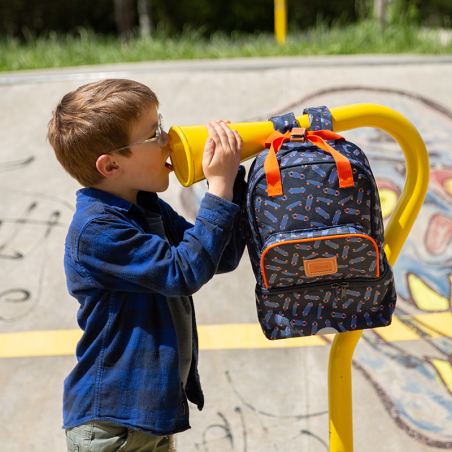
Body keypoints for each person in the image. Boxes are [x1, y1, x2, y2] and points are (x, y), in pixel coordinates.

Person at [47, 78, 246, 452]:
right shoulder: (95, 229)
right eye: (154, 134)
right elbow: (183, 271)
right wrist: (218, 190)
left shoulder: (148, 207)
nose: (169, 139)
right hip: (111, 425)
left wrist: (235, 180)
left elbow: (218, 257)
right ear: (110, 165)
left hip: (147, 419)